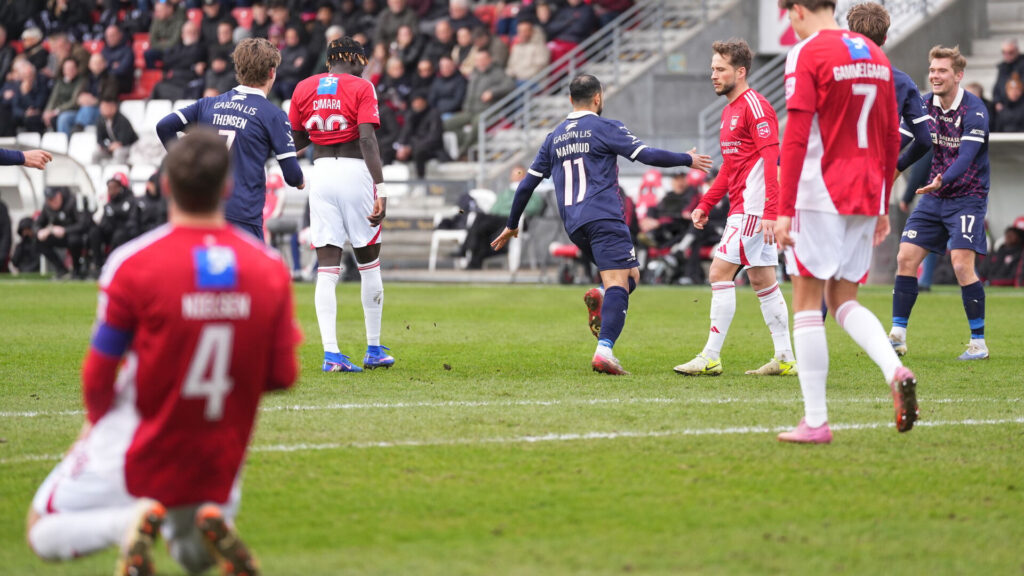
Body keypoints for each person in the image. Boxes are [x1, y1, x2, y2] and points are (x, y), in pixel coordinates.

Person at [25, 127, 299, 576]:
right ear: (227, 187)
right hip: (218, 447)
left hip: (141, 440)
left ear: (167, 184)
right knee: (191, 554)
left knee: (41, 529)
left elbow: (98, 375)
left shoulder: (134, 263)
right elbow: (283, 375)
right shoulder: (269, 268)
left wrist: (93, 429)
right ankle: (206, 524)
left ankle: (127, 522)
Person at [491, 74, 713, 375]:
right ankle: (604, 351)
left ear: (570, 99)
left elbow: (526, 185)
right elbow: (645, 154)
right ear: (598, 98)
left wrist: (512, 223)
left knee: (631, 274)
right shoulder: (605, 127)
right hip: (604, 217)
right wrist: (685, 159)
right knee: (619, 282)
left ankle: (600, 293)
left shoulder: (554, 137)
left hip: (574, 224)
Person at [774, 0, 915, 444]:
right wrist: (881, 201)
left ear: (797, 9)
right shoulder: (874, 53)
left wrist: (783, 208)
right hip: (865, 189)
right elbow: (890, 133)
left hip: (819, 191)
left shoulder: (807, 52)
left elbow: (796, 134)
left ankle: (816, 421)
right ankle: (895, 369)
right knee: (842, 299)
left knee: (806, 301)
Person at [673, 39, 796, 377]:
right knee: (762, 280)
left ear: (740, 72)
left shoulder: (756, 106)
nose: (713, 75)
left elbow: (773, 160)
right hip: (744, 206)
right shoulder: (729, 111)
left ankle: (710, 356)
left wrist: (771, 211)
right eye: (712, 68)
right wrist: (706, 203)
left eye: (721, 69)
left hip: (754, 208)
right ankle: (785, 357)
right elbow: (729, 167)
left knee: (718, 273)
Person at [289, 36, 394, 373]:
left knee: (327, 268)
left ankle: (331, 354)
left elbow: (296, 138)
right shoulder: (362, 86)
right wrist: (382, 189)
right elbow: (367, 139)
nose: (364, 65)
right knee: (369, 263)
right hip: (354, 173)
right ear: (353, 58)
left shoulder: (304, 87)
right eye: (362, 59)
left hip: (320, 173)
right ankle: (373, 348)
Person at [889, 45, 992, 361]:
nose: (935, 75)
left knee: (961, 264)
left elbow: (966, 157)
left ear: (958, 75)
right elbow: (904, 141)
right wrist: (889, 168)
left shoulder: (975, 111)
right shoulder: (923, 104)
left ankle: (978, 344)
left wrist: (942, 179)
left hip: (967, 197)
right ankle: (897, 337)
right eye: (932, 70)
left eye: (942, 70)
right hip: (934, 196)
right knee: (905, 257)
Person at [157, 37, 304, 241]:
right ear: (272, 72)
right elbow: (292, 176)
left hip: (206, 209)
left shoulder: (208, 104)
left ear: (238, 69)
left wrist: (185, 161)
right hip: (243, 213)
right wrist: (300, 182)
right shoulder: (273, 115)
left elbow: (164, 126)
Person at [846, 2, 933, 175]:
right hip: (876, 174)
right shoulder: (902, 82)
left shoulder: (833, 74)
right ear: (885, 38)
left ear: (850, 36)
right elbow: (924, 140)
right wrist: (897, 168)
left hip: (837, 173)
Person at [460, 164, 546, 269]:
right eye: (514, 174)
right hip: (498, 219)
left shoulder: (530, 191)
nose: (517, 176)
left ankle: (464, 249)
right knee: (480, 220)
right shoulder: (505, 193)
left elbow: (535, 207)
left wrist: (513, 208)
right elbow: (494, 209)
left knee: (481, 222)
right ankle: (471, 256)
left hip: (514, 220)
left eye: (519, 173)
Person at [35, 186, 92, 279]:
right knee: (39, 241)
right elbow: (37, 224)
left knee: (74, 241)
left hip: (75, 235)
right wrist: (40, 231)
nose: (53, 202)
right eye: (50, 200)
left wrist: (65, 230)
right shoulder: (47, 206)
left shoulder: (72, 201)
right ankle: (61, 270)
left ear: (59, 195)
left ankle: (76, 270)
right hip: (59, 236)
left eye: (54, 198)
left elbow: (82, 224)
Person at [88, 172, 140, 274]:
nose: (111, 191)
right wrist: (106, 225)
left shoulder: (131, 201)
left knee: (118, 235)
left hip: (124, 233)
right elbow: (104, 221)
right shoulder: (108, 204)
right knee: (94, 232)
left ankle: (111, 264)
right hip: (111, 232)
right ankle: (98, 265)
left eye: (114, 187)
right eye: (109, 188)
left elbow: (131, 220)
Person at [395, 91, 444, 178]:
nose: (416, 104)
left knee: (419, 152)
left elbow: (434, 137)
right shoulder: (411, 115)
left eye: (418, 102)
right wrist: (402, 146)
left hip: (431, 148)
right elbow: (405, 132)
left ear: (425, 102)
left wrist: (411, 147)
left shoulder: (434, 114)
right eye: (414, 102)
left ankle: (420, 180)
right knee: (389, 151)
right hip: (413, 146)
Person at [94, 97, 139, 165]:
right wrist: (108, 147)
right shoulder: (101, 120)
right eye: (102, 107)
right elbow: (99, 140)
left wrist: (115, 145)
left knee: (118, 152)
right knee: (96, 154)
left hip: (129, 147)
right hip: (111, 147)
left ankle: (119, 170)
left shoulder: (122, 120)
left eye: (105, 107)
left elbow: (124, 140)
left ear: (113, 107)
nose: (102, 110)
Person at [992, 38, 1024, 111]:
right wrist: (997, 101)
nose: (1007, 55)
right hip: (1005, 106)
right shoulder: (1002, 67)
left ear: (1017, 50)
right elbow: (997, 87)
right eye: (1004, 52)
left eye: (1010, 52)